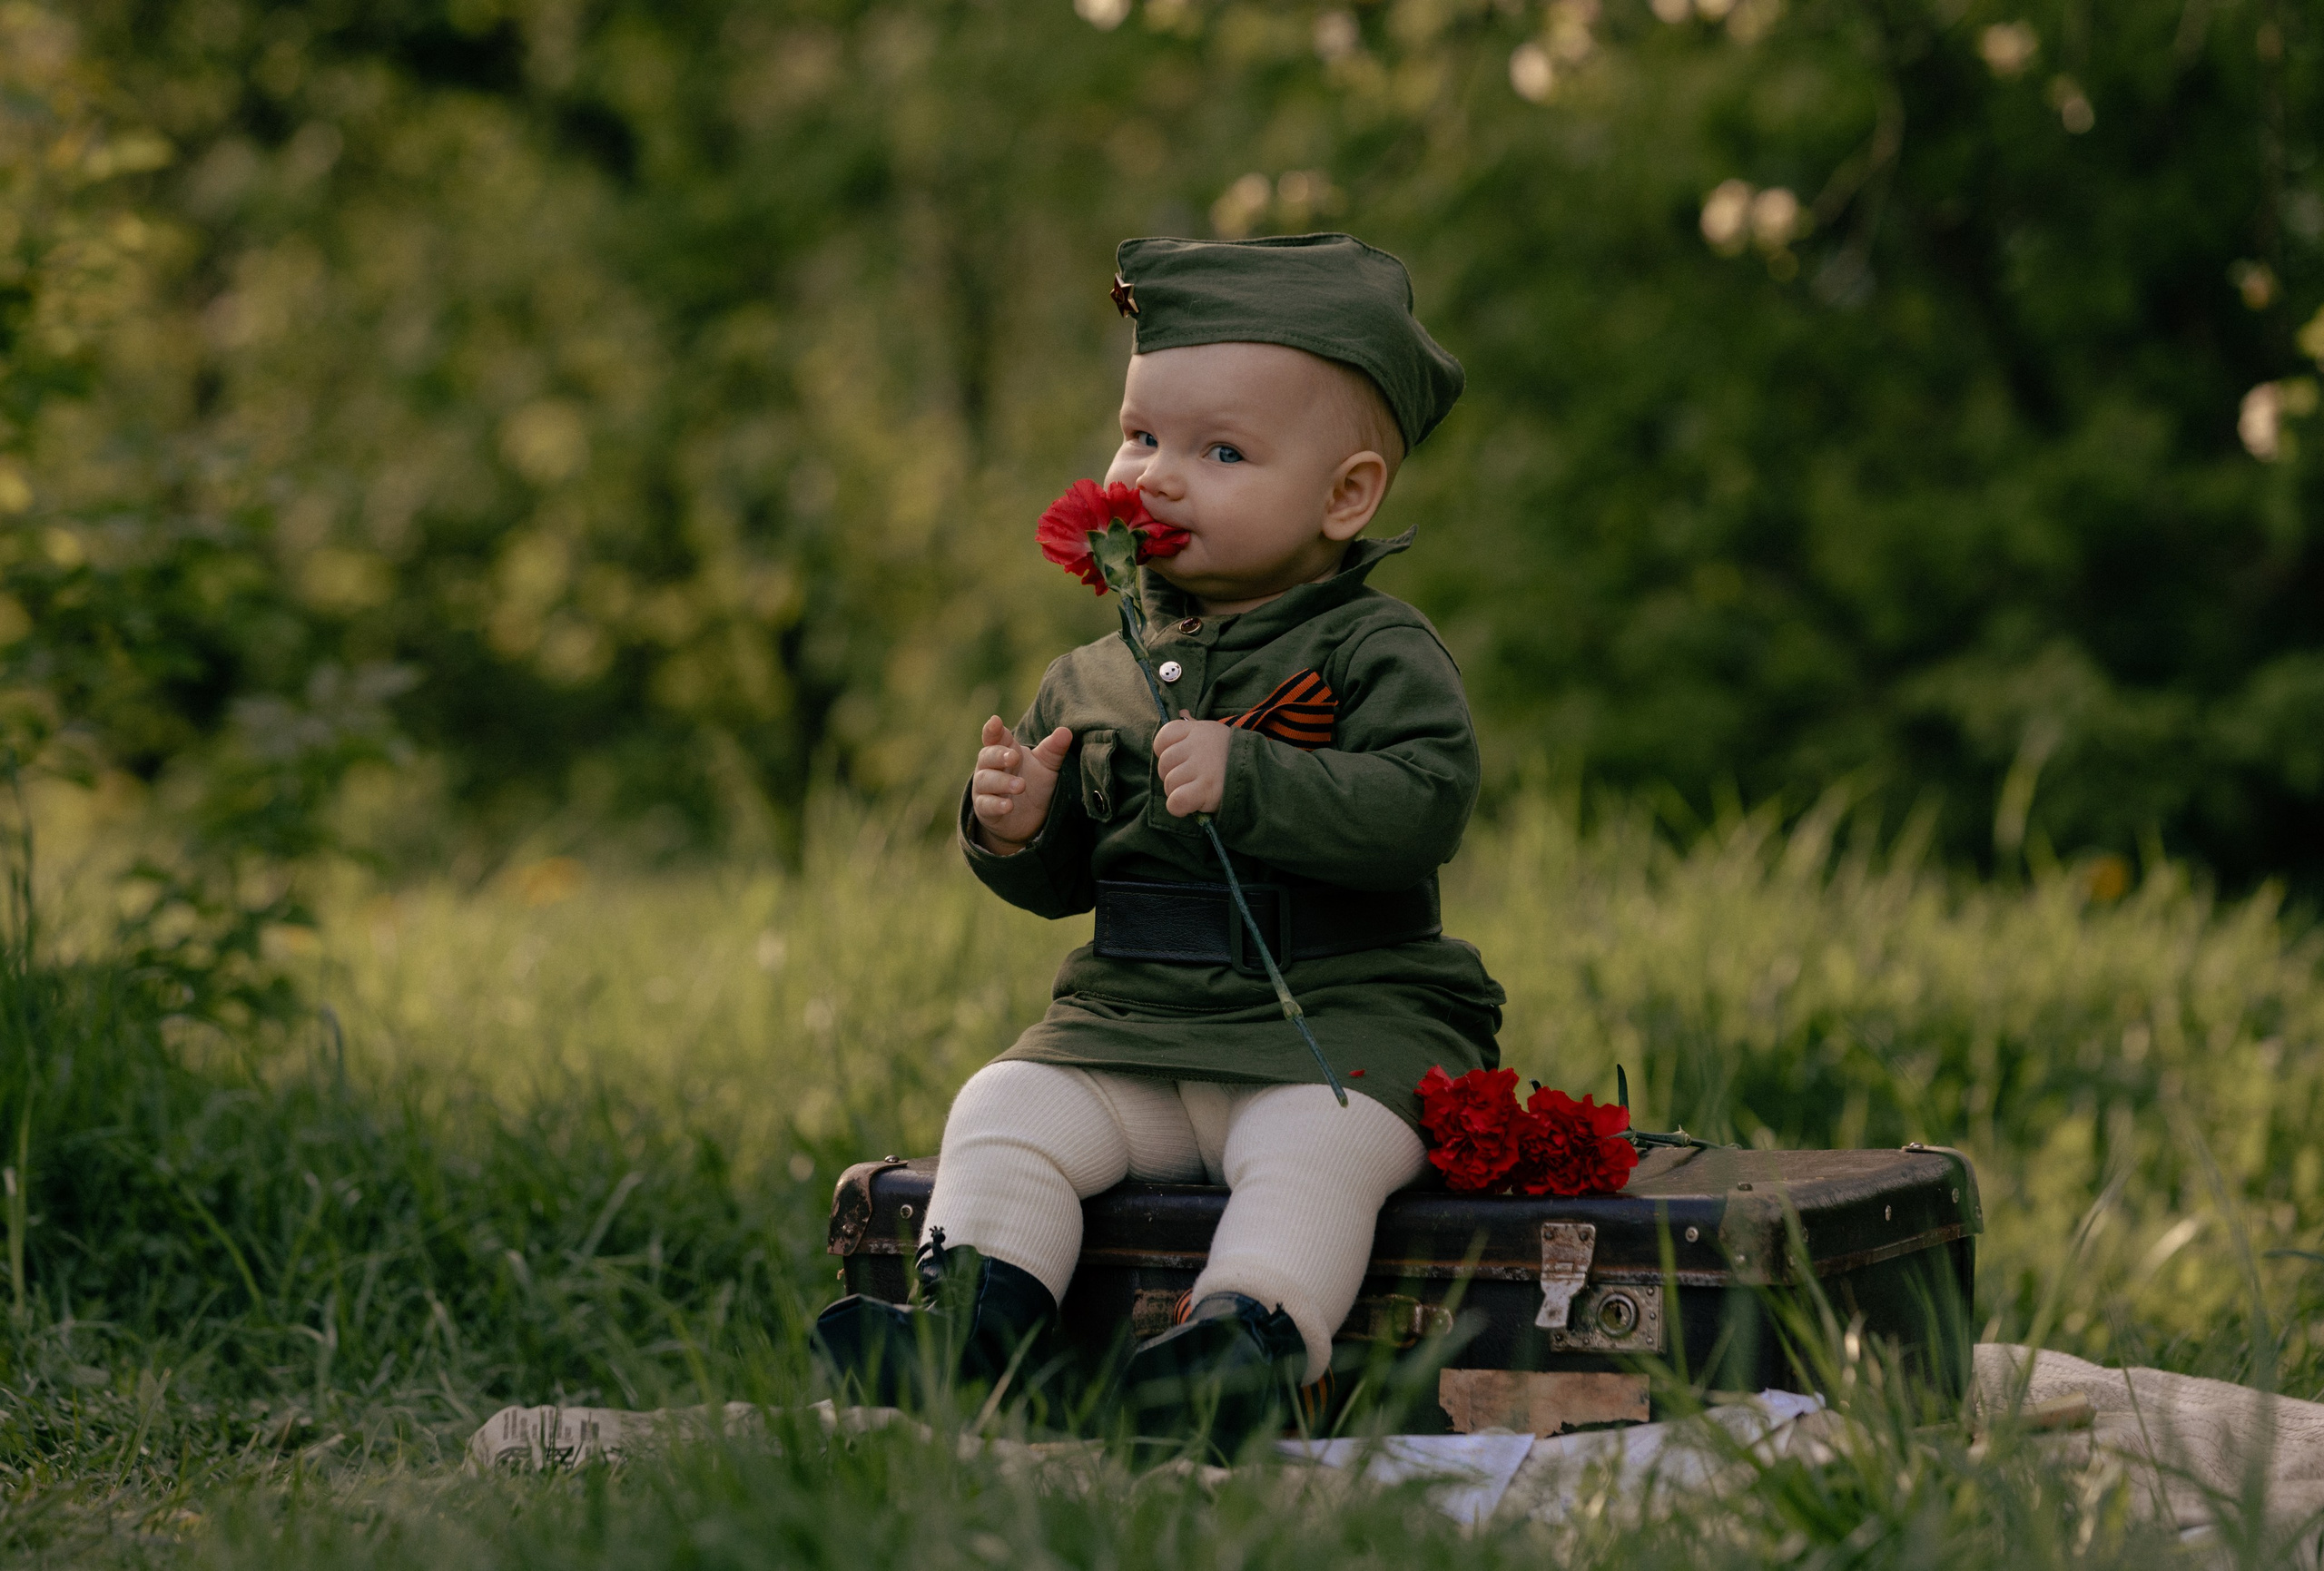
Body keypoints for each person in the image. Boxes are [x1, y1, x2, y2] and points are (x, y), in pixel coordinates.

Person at [813, 233, 1504, 1446]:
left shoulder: (1373, 648)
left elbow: (1426, 801)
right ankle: (972, 1324)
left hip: (1337, 1016)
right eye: (1140, 436)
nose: (1157, 478)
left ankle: (1243, 1341)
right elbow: (1068, 882)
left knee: (1320, 1148)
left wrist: (1258, 778)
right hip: (1131, 1021)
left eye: (1221, 452)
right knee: (1007, 1104)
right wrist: (1019, 827)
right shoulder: (1092, 673)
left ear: (1345, 496)